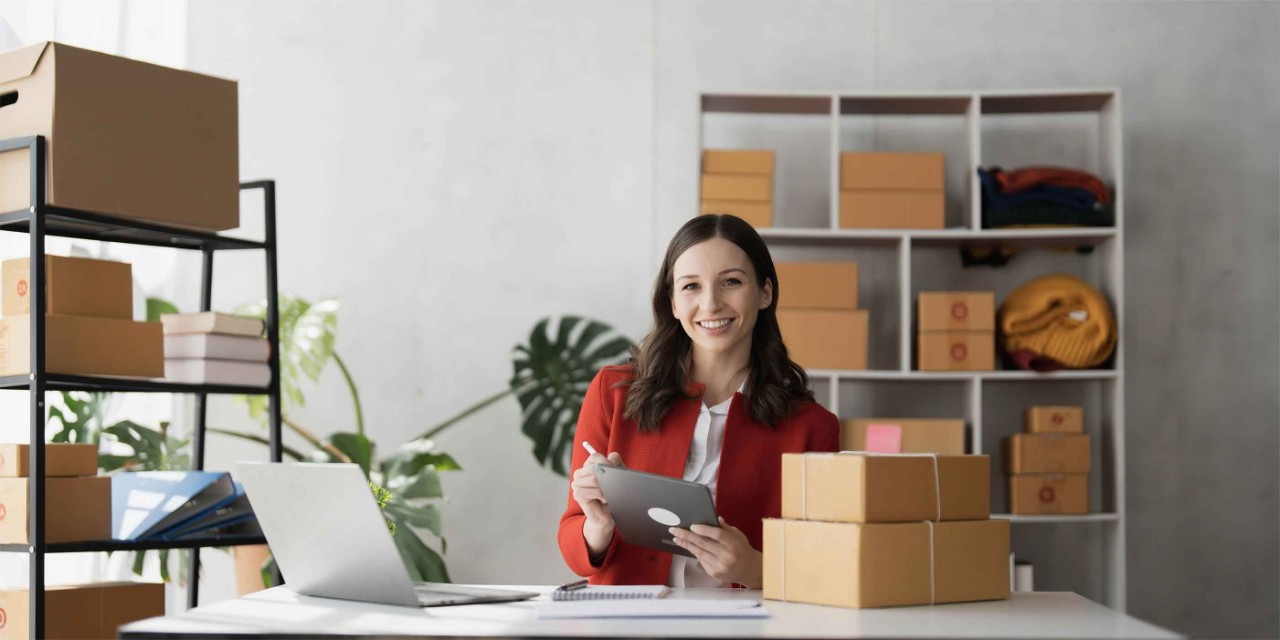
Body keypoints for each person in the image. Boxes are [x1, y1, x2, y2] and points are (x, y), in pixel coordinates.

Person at [558, 214, 839, 589]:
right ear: (673, 302)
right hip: (625, 624)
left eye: (731, 282)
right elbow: (575, 547)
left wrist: (756, 569)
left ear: (765, 293)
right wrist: (597, 525)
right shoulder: (613, 392)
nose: (710, 303)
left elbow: (827, 565)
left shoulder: (813, 427)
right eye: (691, 286)